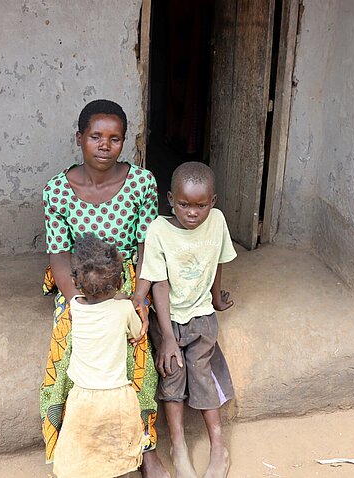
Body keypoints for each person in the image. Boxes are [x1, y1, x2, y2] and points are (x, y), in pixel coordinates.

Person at [40, 99, 169, 478]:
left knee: (138, 351)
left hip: (127, 276)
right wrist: (78, 301)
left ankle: (144, 446)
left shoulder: (142, 183)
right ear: (79, 139)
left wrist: (138, 295)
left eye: (114, 139)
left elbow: (149, 243)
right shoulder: (57, 191)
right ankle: (72, 444)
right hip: (78, 282)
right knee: (66, 354)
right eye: (95, 136)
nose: (104, 145)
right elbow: (60, 256)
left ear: (124, 142)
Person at [134, 162, 237, 478]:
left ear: (213, 202)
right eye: (184, 204)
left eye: (201, 205)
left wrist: (217, 298)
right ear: (170, 199)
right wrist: (166, 336)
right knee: (172, 375)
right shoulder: (159, 231)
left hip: (202, 316)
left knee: (201, 371)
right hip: (170, 320)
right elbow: (158, 283)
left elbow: (219, 260)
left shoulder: (216, 222)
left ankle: (218, 446)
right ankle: (179, 448)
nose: (192, 212)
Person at [53, 233, 145, 478]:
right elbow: (136, 332)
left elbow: (85, 302)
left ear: (76, 281)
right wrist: (125, 302)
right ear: (118, 283)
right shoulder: (124, 308)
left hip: (82, 398)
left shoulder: (75, 308)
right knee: (119, 457)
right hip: (117, 397)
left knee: (81, 454)